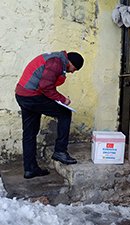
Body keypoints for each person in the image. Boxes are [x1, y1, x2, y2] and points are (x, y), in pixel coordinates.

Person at [15, 51, 84, 179]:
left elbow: (46, 85)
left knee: (29, 133)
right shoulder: (56, 62)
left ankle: (30, 169)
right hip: (32, 96)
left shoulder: (55, 59)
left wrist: (56, 98)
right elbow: (45, 86)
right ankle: (60, 151)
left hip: (23, 94)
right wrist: (63, 100)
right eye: (75, 69)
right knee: (65, 113)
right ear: (71, 63)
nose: (73, 72)